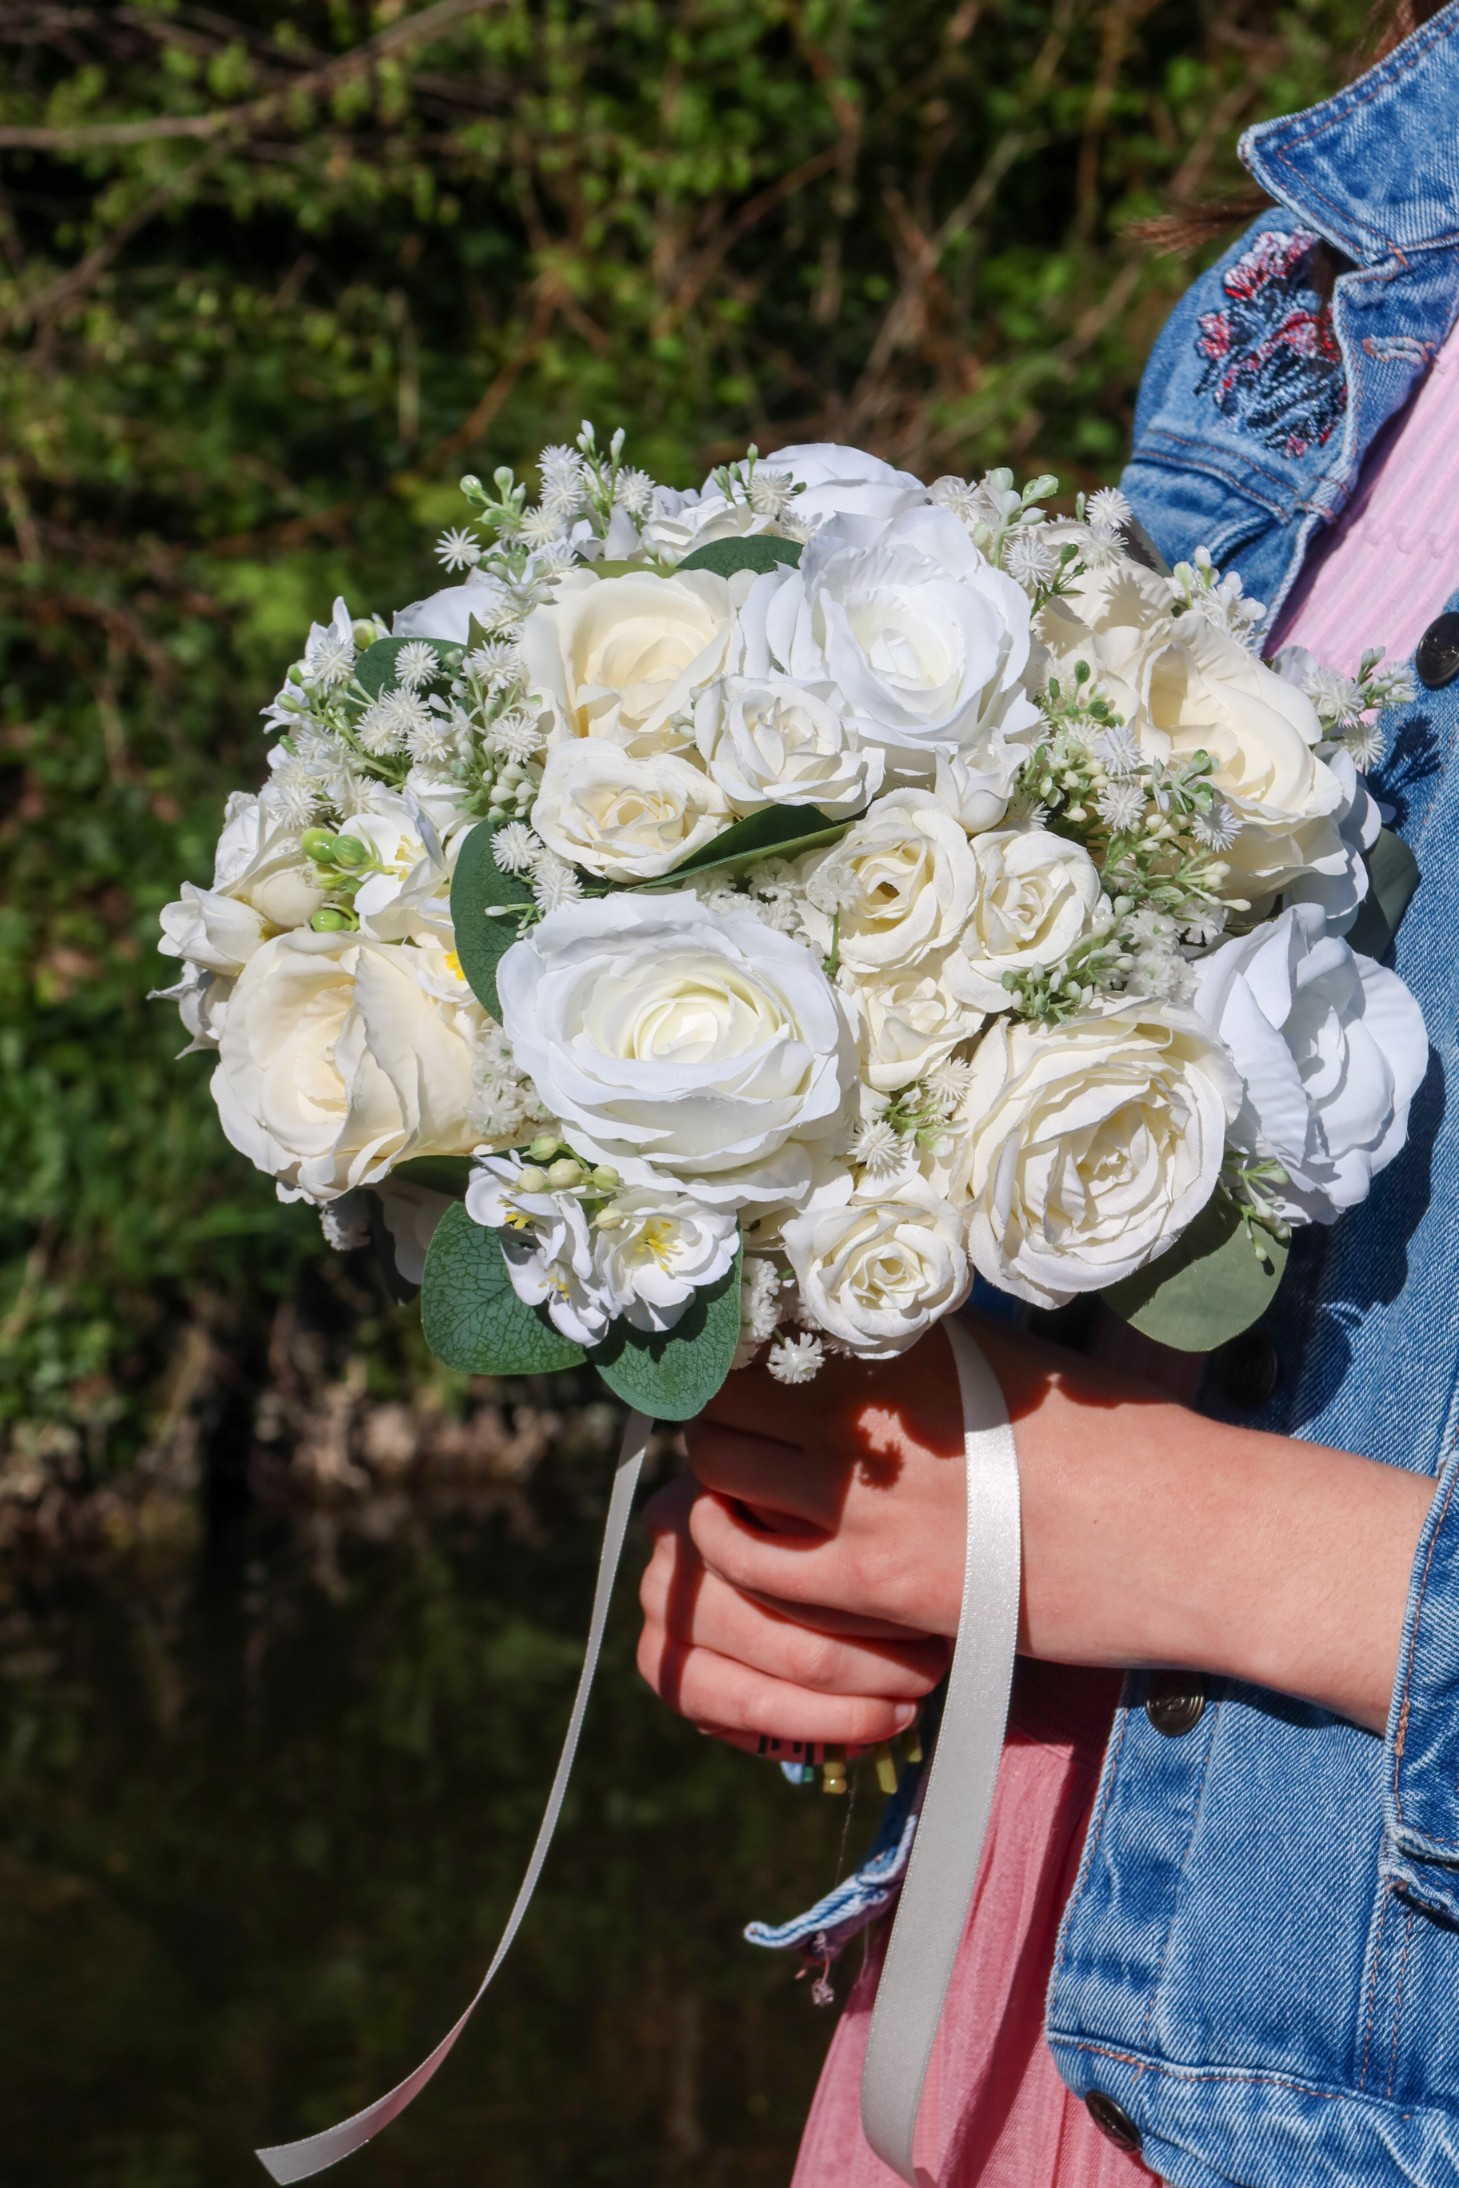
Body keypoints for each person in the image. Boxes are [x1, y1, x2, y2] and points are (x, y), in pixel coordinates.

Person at [636, 3, 1459, 2183]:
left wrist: (1185, 1542)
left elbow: (1157, 1501)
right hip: (1019, 1971)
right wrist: (849, 1520)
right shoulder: (1326, 290)